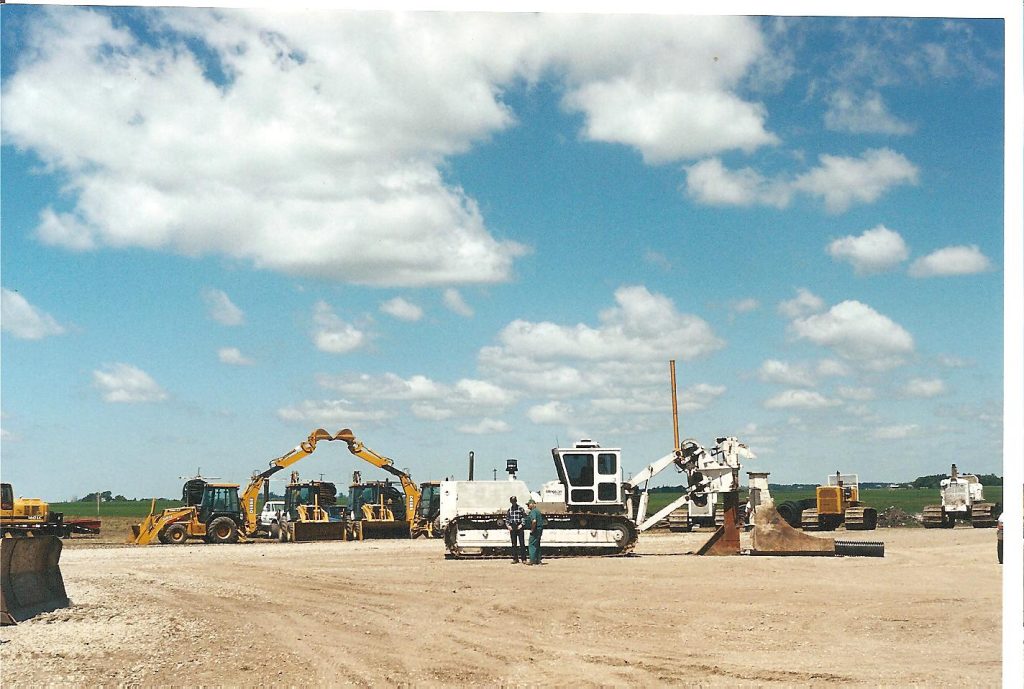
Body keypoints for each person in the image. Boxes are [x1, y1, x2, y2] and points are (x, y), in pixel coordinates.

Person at [505, 496, 527, 563]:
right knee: (514, 544)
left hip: (519, 526)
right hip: (513, 526)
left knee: (522, 543)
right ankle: (515, 558)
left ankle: (523, 559)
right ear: (511, 502)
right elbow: (507, 519)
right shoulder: (510, 510)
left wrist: (522, 524)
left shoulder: (520, 508)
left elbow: (524, 517)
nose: (513, 502)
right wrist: (508, 525)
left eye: (514, 501)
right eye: (512, 501)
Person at [525, 498, 545, 565]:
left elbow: (534, 521)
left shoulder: (533, 511)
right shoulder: (538, 511)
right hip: (540, 529)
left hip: (535, 530)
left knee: (531, 544)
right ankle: (538, 560)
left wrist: (532, 530)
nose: (527, 506)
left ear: (532, 504)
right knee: (537, 544)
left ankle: (532, 560)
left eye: (528, 505)